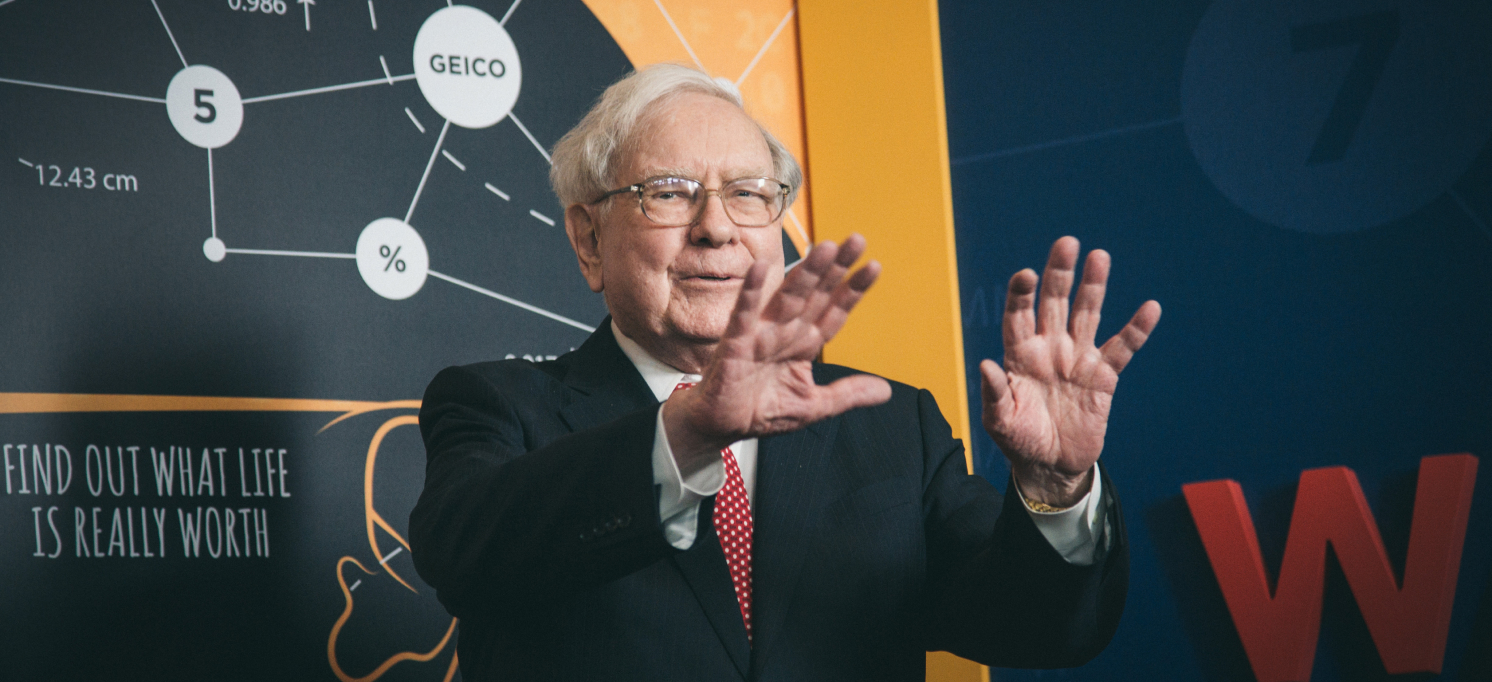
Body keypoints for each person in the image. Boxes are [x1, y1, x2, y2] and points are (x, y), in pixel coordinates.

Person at [409, 64, 1161, 682]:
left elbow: (1039, 629)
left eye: (747, 194)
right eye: (668, 193)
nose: (716, 228)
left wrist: (1056, 488)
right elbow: (461, 556)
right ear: (588, 239)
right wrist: (688, 431)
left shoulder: (891, 426)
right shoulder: (498, 405)